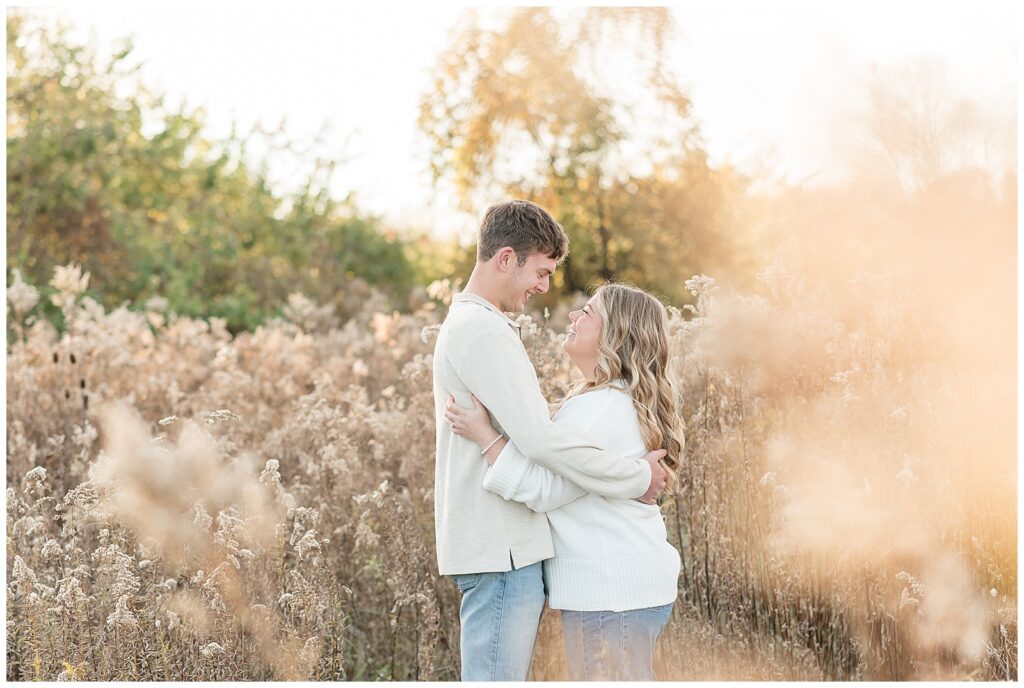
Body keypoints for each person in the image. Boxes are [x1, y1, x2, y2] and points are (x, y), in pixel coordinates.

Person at [432, 200, 668, 682]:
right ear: (505, 259)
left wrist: (498, 433)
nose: (544, 287)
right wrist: (637, 474)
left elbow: (543, 435)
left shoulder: (480, 326)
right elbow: (541, 441)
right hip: (501, 547)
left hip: (512, 549)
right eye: (539, 272)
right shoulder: (483, 330)